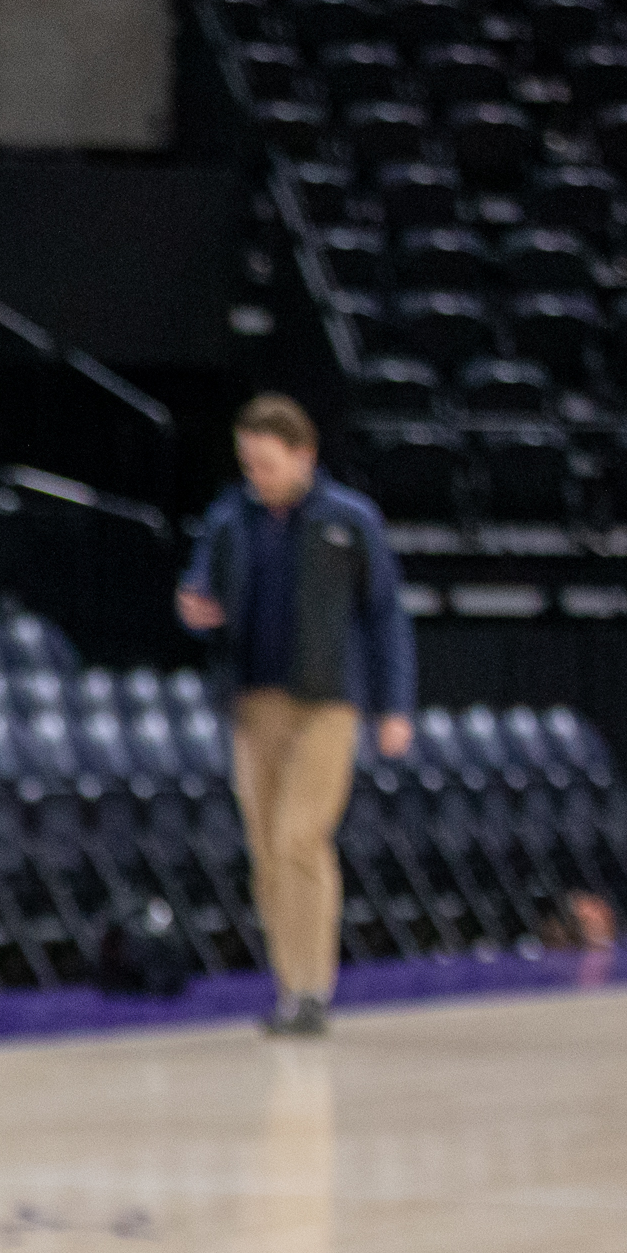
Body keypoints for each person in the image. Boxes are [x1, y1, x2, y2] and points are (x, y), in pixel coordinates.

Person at [175, 393, 417, 1038]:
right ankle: (290, 988)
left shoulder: (348, 519)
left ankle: (314, 987)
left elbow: (385, 613)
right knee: (266, 851)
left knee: (299, 838)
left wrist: (395, 705)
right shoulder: (231, 519)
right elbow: (199, 585)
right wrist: (195, 607)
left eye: (268, 464)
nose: (258, 476)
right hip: (254, 704)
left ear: (303, 455)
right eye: (249, 465)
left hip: (327, 704)